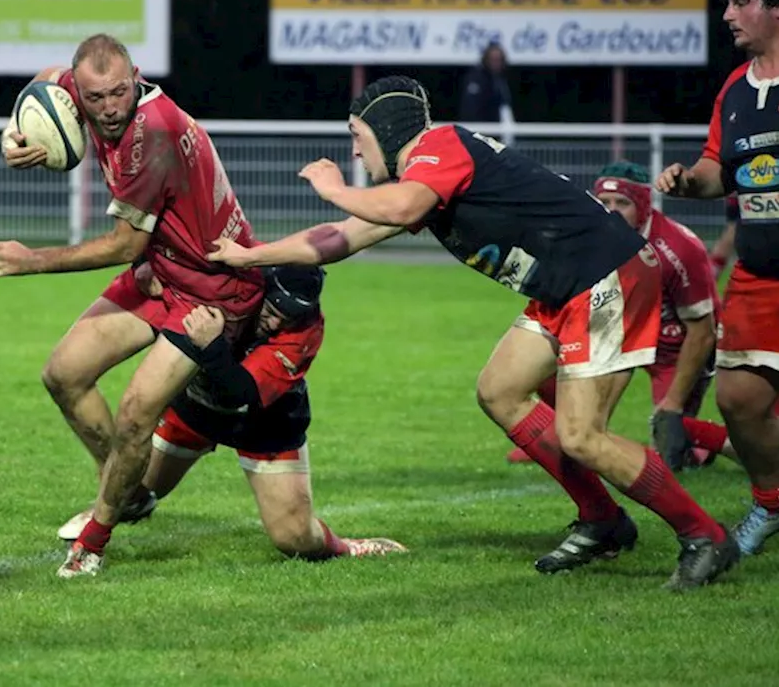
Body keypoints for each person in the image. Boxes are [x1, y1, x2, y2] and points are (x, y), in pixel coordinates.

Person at [208, 75, 739, 590]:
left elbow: (400, 206)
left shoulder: (440, 146)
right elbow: (340, 238)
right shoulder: (423, 177)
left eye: (356, 136)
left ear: (387, 129)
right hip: (566, 287)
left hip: (605, 276)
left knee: (582, 435)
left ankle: (704, 535)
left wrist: (333, 188)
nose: (354, 152)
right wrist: (252, 255)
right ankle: (602, 519)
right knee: (500, 390)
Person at [0, 33, 263, 578]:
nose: (108, 109)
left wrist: (32, 260)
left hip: (213, 290)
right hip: (161, 273)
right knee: (63, 374)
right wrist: (13, 134)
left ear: (136, 79)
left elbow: (122, 244)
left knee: (136, 416)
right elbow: (44, 78)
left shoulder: (152, 133)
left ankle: (92, 544)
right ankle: (128, 491)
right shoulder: (80, 89)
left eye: (117, 93)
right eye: (94, 99)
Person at [58, 263, 408, 561]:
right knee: (127, 483)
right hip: (193, 411)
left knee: (295, 540)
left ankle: (348, 549)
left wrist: (210, 347)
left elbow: (240, 393)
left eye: (286, 319)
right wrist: (145, 267)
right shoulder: (233, 283)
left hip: (264, 424)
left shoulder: (307, 329)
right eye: (272, 311)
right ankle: (101, 523)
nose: (273, 325)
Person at [655, 0, 779, 556]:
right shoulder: (736, 88)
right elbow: (716, 169)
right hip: (758, 275)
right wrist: (688, 180)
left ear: (778, 8)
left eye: (741, 2)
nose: (728, 15)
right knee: (737, 398)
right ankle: (773, 503)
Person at [504, 163, 720, 472]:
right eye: (604, 202)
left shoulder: (679, 248)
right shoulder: (589, 234)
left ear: (644, 206)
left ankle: (715, 443)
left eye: (623, 203)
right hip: (616, 330)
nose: (612, 211)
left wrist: (672, 405)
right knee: (540, 369)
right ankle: (552, 437)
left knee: (675, 444)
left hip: (673, 347)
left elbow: (702, 332)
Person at [459, 42, 514, 126]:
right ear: (486, 59)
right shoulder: (476, 78)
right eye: (493, 59)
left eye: (499, 60)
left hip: (497, 128)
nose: (496, 63)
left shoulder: (501, 80)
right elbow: (470, 109)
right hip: (479, 127)